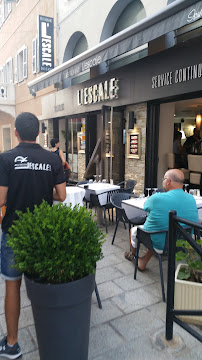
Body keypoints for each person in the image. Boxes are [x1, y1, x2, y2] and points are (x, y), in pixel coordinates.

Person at [0, 112, 66, 359]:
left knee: (12, 286)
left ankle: (13, 343)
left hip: (15, 232)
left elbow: (1, 199)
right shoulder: (52, 159)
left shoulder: (5, 159)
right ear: (39, 133)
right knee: (46, 284)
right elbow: (61, 196)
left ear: (16, 132)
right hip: (42, 232)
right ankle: (54, 335)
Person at [124, 169, 198, 270]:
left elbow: (146, 207)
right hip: (183, 244)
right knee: (159, 228)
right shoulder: (191, 199)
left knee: (135, 230)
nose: (162, 182)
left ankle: (133, 255)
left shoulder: (157, 198)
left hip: (162, 246)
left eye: (163, 179)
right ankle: (143, 262)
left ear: (168, 181)